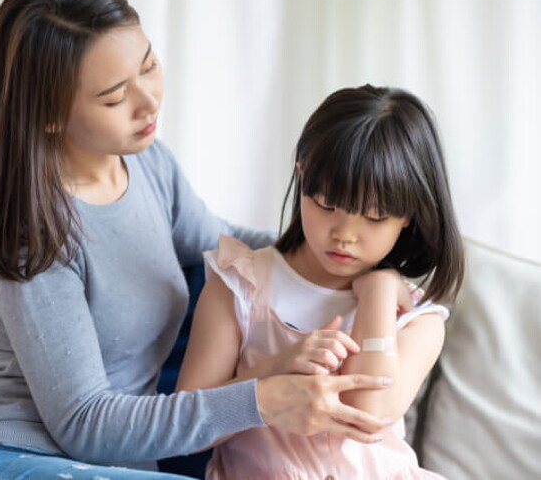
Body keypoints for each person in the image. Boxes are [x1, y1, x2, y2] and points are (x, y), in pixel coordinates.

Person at [0, 0, 395, 479]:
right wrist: (261, 397)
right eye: (114, 97)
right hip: (6, 462)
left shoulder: (146, 164)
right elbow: (83, 424)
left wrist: (372, 261)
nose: (149, 101)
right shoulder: (31, 230)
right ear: (46, 115)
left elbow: (232, 245)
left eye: (149, 66)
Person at [176, 85, 465, 479]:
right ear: (302, 171)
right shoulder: (239, 284)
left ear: (409, 213)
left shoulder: (418, 318)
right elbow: (186, 429)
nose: (344, 234)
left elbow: (369, 415)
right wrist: (277, 368)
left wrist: (378, 293)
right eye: (327, 205)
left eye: (375, 218)